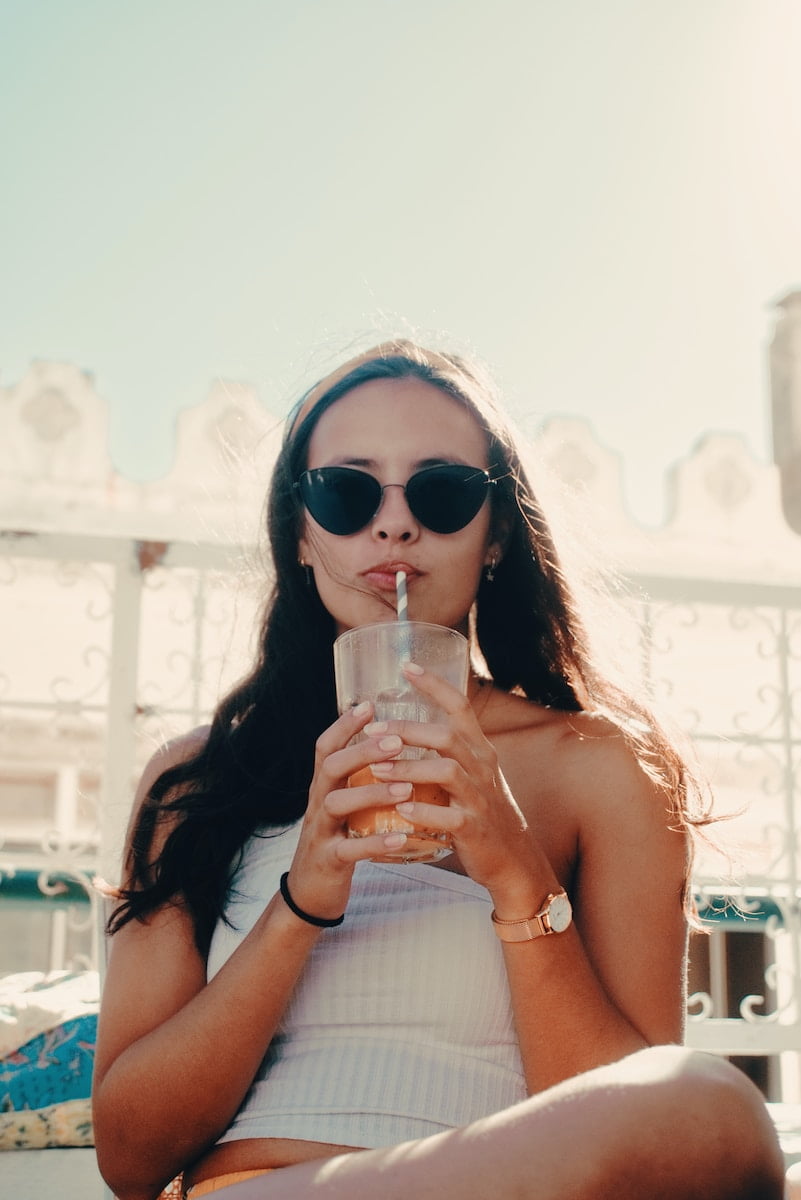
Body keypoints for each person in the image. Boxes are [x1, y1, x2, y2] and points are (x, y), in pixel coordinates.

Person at [93, 340, 784, 1200]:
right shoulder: (196, 778)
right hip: (269, 1186)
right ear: (299, 536)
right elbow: (128, 1156)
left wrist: (513, 868)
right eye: (344, 492)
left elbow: (640, 1123)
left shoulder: (599, 767)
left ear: (496, 536)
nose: (393, 526)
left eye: (442, 491)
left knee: (700, 1107)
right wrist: (301, 899)